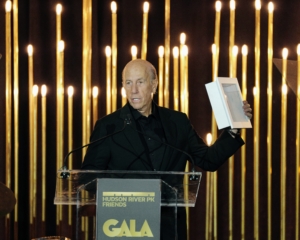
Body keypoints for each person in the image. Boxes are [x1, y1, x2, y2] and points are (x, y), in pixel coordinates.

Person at [81, 59, 252, 240]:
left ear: (154, 84)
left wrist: (233, 129)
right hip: (124, 225)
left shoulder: (177, 122)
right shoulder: (109, 126)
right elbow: (88, 177)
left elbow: (208, 160)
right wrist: (132, 193)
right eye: (128, 83)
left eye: (140, 82)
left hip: (169, 227)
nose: (134, 90)